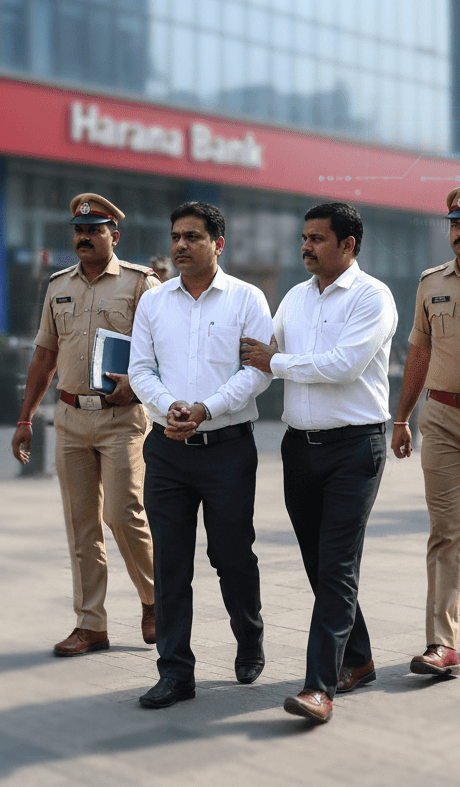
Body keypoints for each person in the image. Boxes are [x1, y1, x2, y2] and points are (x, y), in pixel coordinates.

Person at [241, 201, 397, 724]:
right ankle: (360, 659)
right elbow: (258, 354)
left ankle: (319, 688)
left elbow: (344, 366)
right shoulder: (294, 298)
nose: (305, 246)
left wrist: (275, 362)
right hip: (299, 448)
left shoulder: (373, 297)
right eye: (304, 238)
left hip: (355, 448)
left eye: (317, 239)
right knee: (319, 565)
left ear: (348, 245)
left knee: (336, 566)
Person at [129, 201, 273, 709]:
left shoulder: (246, 299)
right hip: (167, 449)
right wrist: (172, 409)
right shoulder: (154, 302)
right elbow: (140, 368)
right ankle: (175, 671)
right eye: (176, 236)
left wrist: (205, 410)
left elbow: (258, 370)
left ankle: (249, 634)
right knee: (169, 561)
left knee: (230, 555)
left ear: (218, 243)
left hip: (227, 449)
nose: (181, 245)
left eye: (193, 236)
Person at [13, 193, 160, 656]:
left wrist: (137, 388)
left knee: (121, 514)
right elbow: (44, 356)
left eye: (93, 230)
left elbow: (166, 352)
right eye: (78, 230)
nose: (83, 237)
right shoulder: (58, 286)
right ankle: (91, 623)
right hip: (71, 419)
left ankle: (155, 600)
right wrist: (25, 418)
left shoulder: (141, 284)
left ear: (113, 236)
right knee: (81, 526)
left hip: (122, 419)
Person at [392, 185, 460, 674]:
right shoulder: (429, 282)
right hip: (440, 420)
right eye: (455, 225)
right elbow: (419, 351)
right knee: (445, 531)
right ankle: (442, 643)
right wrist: (402, 418)